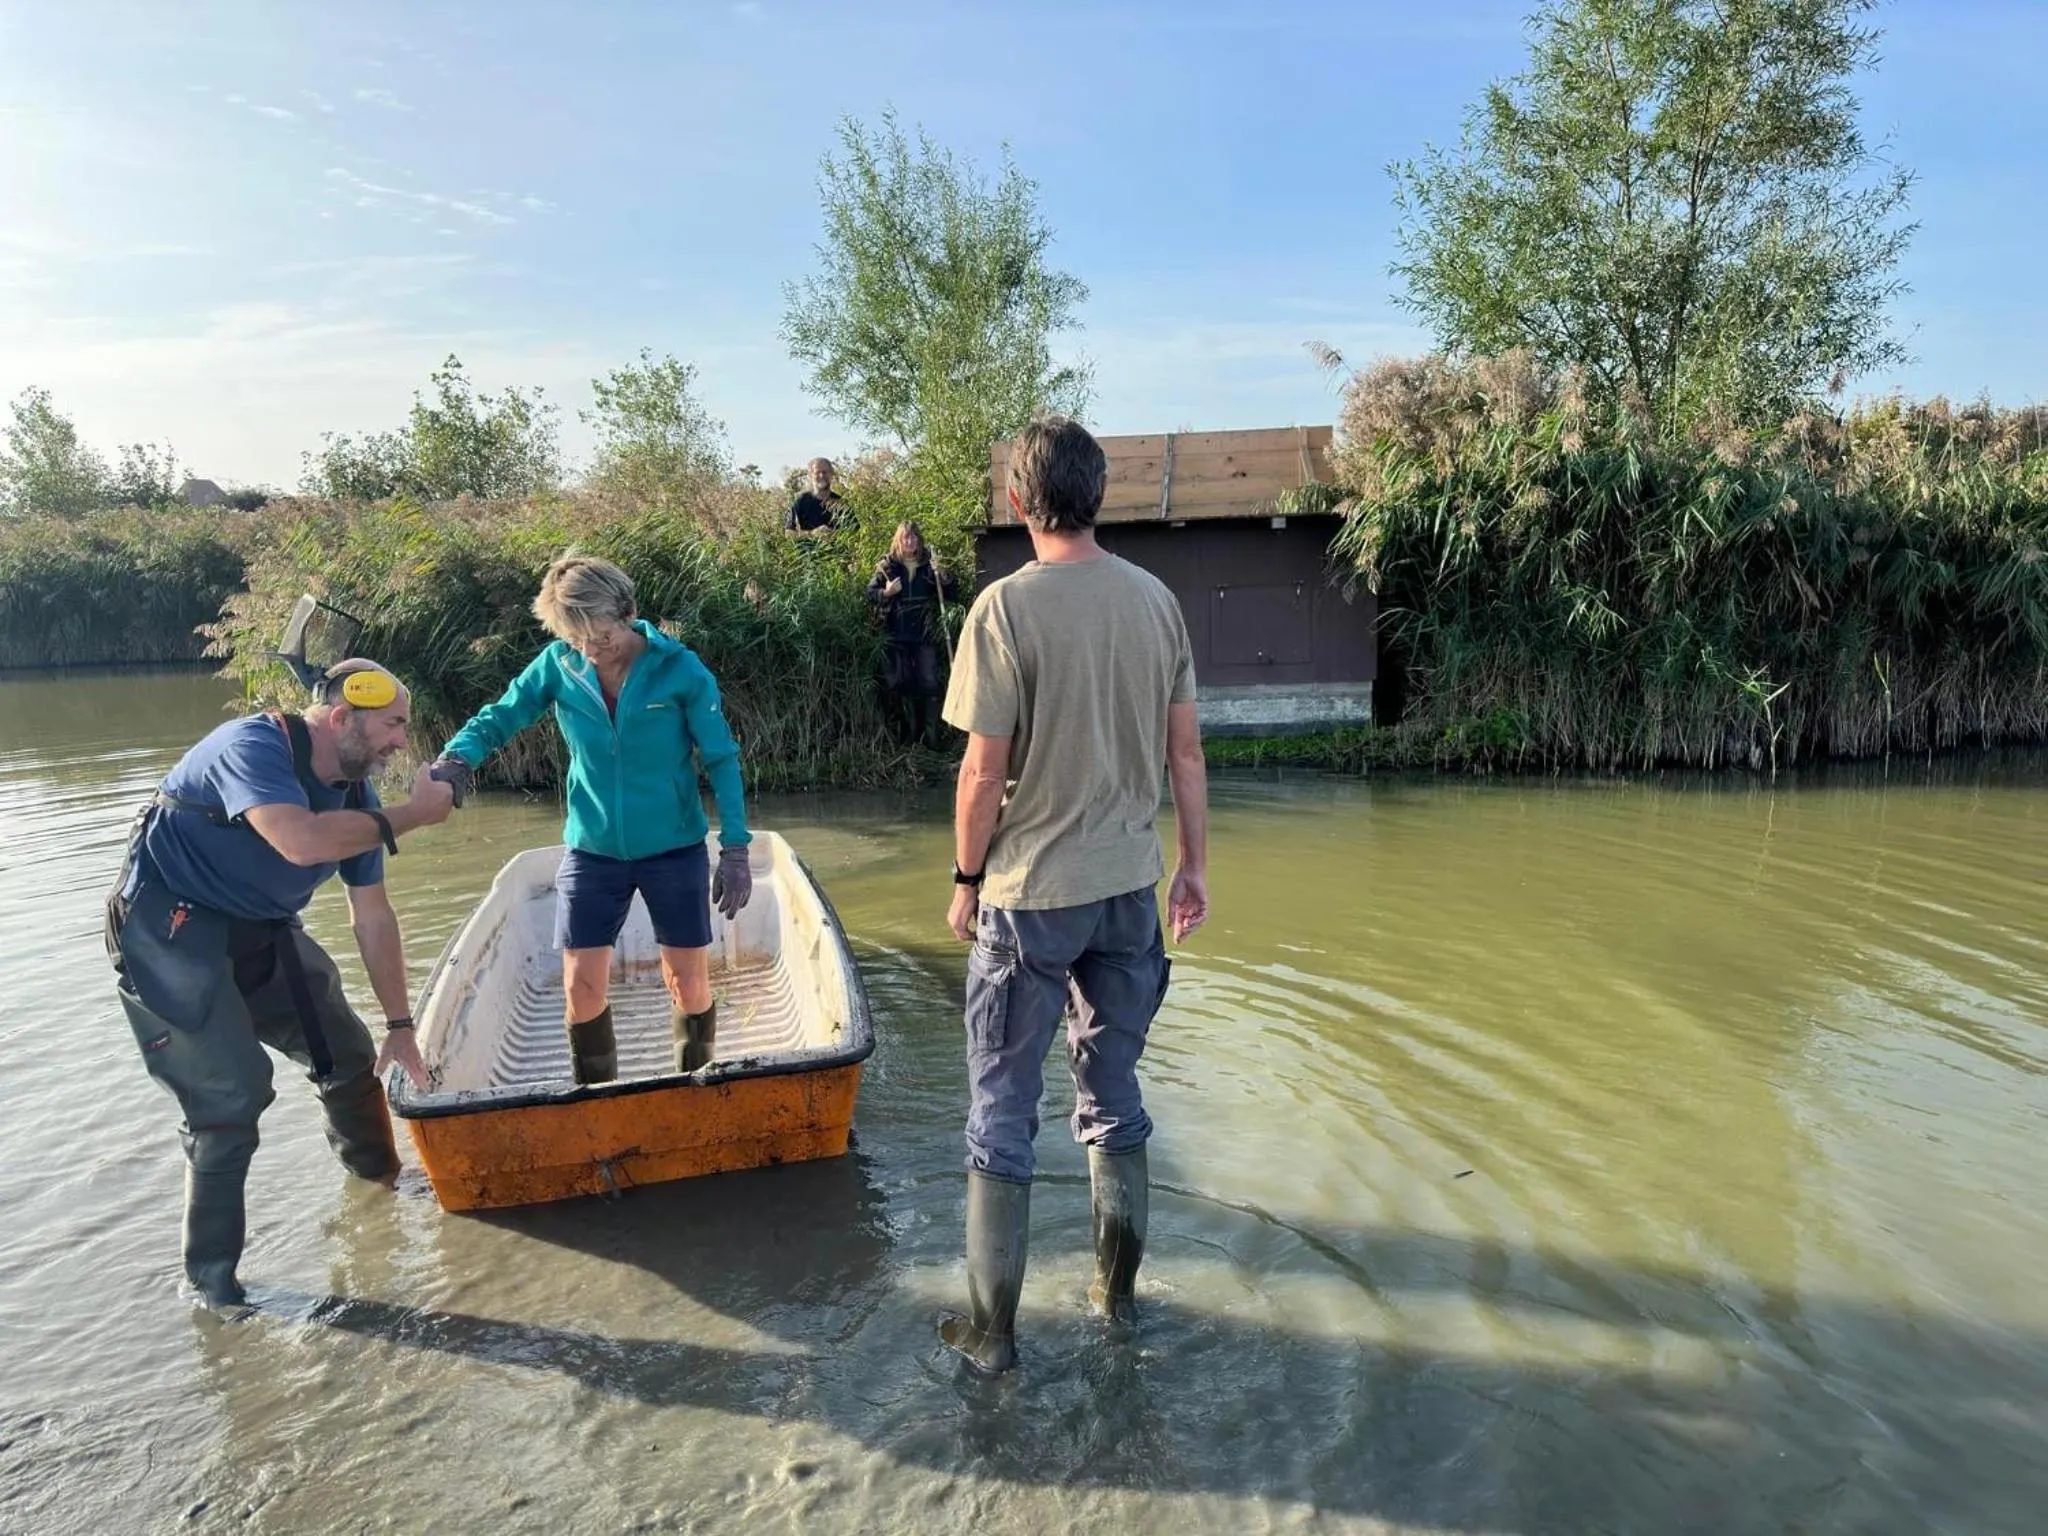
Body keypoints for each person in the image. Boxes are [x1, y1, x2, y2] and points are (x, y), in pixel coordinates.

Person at [935, 415, 1210, 1374]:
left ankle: (991, 1340)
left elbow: (980, 776)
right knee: (1114, 1095)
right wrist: (1194, 866)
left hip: (1030, 893)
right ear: (1102, 495)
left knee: (1002, 1111)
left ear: (1018, 501)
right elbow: (1185, 753)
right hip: (1131, 889)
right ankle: (1116, 1304)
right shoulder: (1156, 602)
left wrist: (967, 880)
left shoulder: (1003, 611)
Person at [106, 660, 457, 1310]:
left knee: (351, 1060)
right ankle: (214, 1290)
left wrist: (401, 1027)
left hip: (262, 930)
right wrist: (411, 815)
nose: (401, 743)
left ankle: (381, 1191)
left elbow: (371, 915)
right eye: (393, 725)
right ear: (342, 716)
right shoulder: (254, 745)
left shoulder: (357, 801)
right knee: (229, 1100)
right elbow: (297, 841)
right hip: (170, 931)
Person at [430, 554, 753, 1088]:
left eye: (600, 636)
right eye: (576, 639)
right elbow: (502, 714)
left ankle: (694, 1094)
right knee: (580, 986)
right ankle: (597, 1098)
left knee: (688, 983)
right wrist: (458, 756)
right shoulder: (560, 665)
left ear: (628, 611)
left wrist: (736, 849)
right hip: (592, 849)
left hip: (673, 848)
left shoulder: (681, 670)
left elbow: (721, 758)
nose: (590, 651)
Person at [866, 520, 958, 747]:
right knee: (897, 684)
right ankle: (905, 738)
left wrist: (944, 578)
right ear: (899, 540)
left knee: (929, 683)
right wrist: (886, 593)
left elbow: (950, 594)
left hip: (924, 633)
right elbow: (870, 592)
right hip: (895, 633)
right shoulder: (887, 566)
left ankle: (932, 739)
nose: (910, 541)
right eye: (906, 537)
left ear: (919, 540)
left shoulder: (930, 565)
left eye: (914, 537)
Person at [784, 457, 844, 536]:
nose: (821, 475)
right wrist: (812, 534)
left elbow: (855, 533)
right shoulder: (801, 502)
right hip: (808, 548)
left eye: (825, 472)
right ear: (810, 475)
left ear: (831, 474)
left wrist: (833, 534)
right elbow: (788, 534)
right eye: (817, 472)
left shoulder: (841, 503)